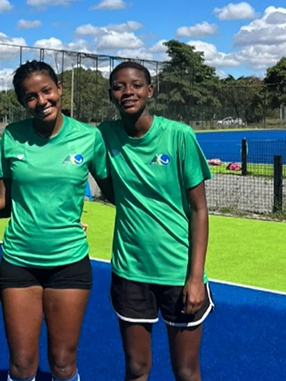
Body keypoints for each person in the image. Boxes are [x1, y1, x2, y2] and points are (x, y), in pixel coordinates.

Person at [0, 60, 111, 381]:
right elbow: (2, 199)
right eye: (30, 96)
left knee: (63, 363)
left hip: (69, 262)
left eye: (46, 91)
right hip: (20, 261)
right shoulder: (12, 136)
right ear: (22, 102)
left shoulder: (89, 137)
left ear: (59, 88)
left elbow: (116, 190)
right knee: (21, 364)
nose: (41, 101)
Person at [98, 61, 213, 381]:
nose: (128, 92)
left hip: (178, 271)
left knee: (186, 371)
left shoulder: (179, 135)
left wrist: (195, 277)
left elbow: (199, 209)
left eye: (136, 85)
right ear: (111, 95)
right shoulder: (105, 135)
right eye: (119, 87)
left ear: (150, 91)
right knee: (136, 368)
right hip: (130, 271)